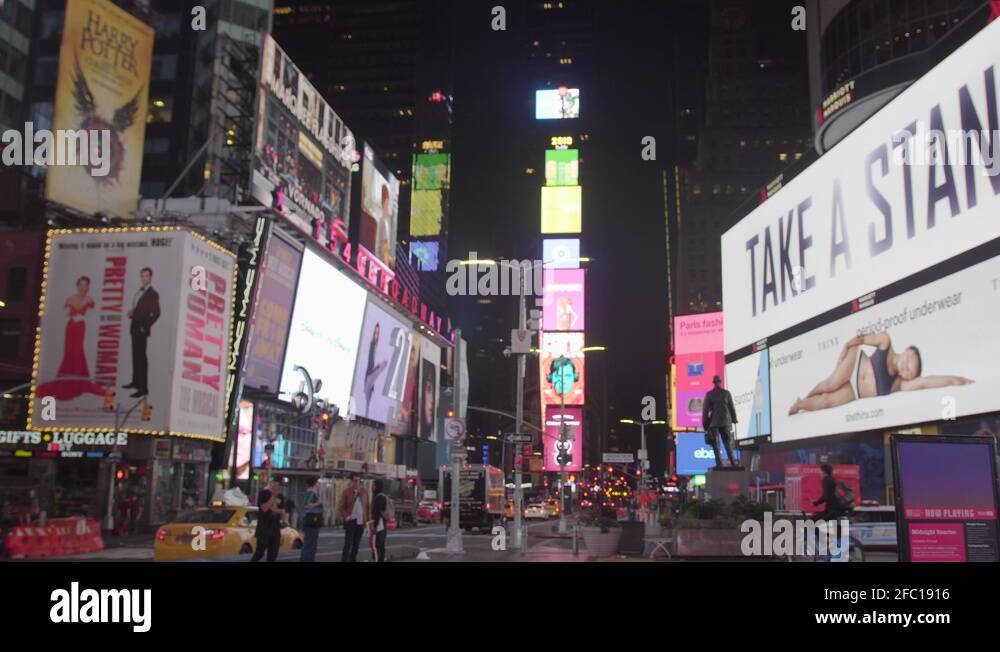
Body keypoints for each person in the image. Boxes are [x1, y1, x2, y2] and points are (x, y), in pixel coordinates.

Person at [788, 332, 973, 415]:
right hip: (855, 363)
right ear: (907, 350)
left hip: (856, 392)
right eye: (909, 360)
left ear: (909, 378)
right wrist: (845, 347)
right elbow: (861, 339)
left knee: (826, 402)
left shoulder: (899, 384)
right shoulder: (886, 342)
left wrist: (955, 380)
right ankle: (804, 397)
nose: (906, 367)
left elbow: (925, 382)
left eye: (910, 371)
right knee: (829, 385)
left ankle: (800, 404)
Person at [37, 277, 106, 400]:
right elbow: (65, 313)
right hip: (70, 328)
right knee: (69, 352)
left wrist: (76, 316)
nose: (83, 287)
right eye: (81, 285)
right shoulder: (70, 299)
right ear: (77, 285)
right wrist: (72, 314)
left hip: (80, 328)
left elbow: (88, 315)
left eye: (85, 285)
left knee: (78, 351)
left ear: (88, 287)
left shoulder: (89, 299)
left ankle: (77, 383)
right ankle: (67, 382)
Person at [124, 267, 160, 399]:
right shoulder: (140, 291)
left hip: (141, 330)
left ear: (150, 277)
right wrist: (133, 314)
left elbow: (156, 313)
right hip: (134, 328)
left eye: (146, 276)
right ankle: (136, 382)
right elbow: (141, 310)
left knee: (141, 358)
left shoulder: (153, 294)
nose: (144, 278)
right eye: (142, 276)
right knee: (136, 356)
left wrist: (145, 326)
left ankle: (143, 388)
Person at [701, 375, 738, 468]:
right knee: (727, 443)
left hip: (714, 423)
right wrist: (734, 419)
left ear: (713, 382)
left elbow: (705, 411)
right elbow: (731, 408)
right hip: (725, 422)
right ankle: (733, 462)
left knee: (716, 445)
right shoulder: (726, 393)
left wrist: (705, 424)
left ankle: (719, 464)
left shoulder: (709, 394)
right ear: (719, 382)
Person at [338, 473, 369, 562]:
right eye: (355, 480)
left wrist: (367, 520)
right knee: (348, 543)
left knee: (356, 544)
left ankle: (353, 559)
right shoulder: (347, 491)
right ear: (351, 481)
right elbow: (341, 506)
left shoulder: (364, 491)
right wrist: (346, 517)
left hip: (360, 521)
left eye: (359, 481)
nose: (357, 483)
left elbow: (367, 506)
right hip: (351, 521)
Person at [362, 323, 388, 417]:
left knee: (368, 402)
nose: (376, 335)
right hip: (369, 375)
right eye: (375, 333)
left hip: (371, 378)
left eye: (378, 333)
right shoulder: (372, 346)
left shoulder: (377, 347)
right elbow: (370, 363)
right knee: (383, 364)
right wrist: (377, 367)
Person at [251, 489, 281, 562]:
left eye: (279, 486)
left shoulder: (279, 496)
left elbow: (282, 510)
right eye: (276, 485)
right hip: (263, 530)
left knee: (273, 554)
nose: (278, 487)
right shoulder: (263, 493)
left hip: (275, 530)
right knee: (260, 552)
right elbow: (264, 509)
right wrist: (272, 497)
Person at [300, 477, 323, 562]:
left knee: (310, 544)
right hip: (311, 521)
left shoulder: (312, 493)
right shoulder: (311, 493)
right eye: (317, 482)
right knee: (310, 544)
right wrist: (318, 503)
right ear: (314, 484)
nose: (319, 484)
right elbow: (306, 505)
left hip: (312, 521)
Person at [369, 479, 389, 563]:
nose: (372, 487)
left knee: (377, 545)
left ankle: (378, 560)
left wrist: (374, 526)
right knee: (381, 545)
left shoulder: (378, 498)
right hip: (383, 524)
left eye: (373, 485)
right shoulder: (383, 496)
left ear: (377, 486)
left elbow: (377, 513)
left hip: (379, 525)